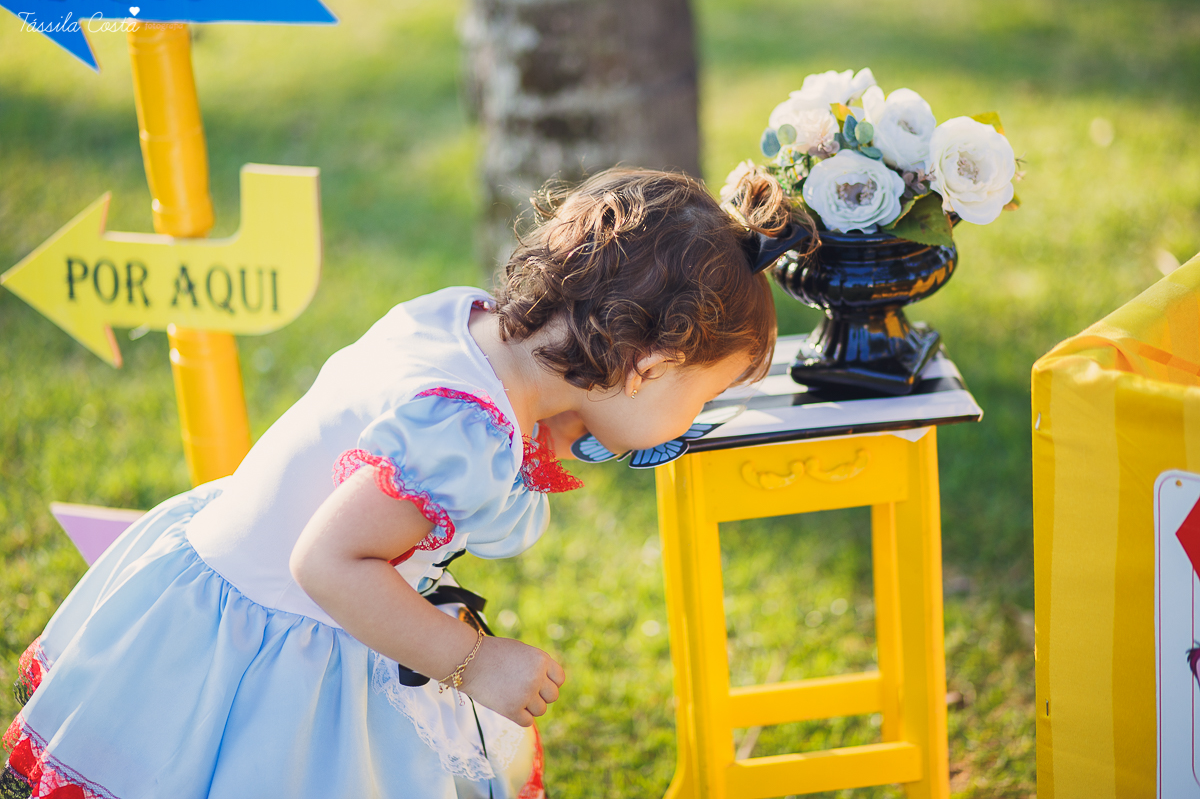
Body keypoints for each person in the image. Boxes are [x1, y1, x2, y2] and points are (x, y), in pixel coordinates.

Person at [1, 165, 799, 799]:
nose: (694, 416)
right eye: (702, 396)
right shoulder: (465, 432)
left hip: (220, 579)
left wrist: (556, 428)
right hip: (280, 639)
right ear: (647, 367)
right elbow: (327, 564)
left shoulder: (467, 323)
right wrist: (471, 662)